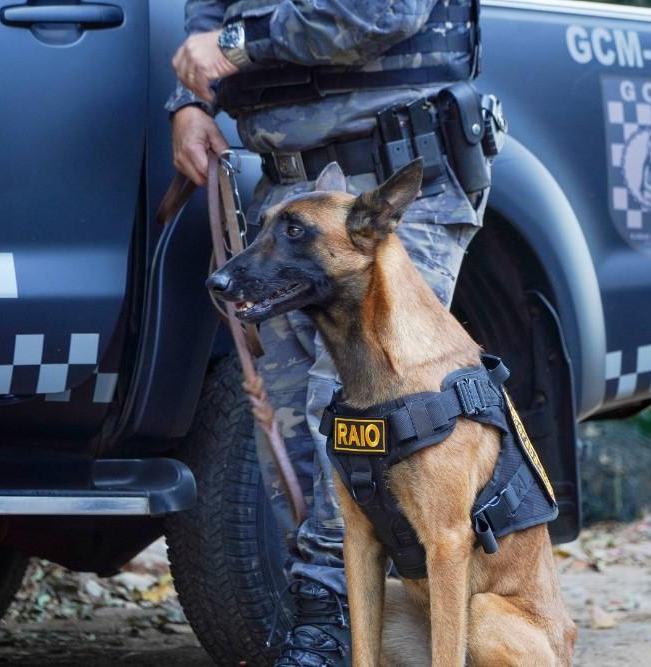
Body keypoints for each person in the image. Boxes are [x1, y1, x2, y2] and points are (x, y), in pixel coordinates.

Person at [167, 0, 493, 663]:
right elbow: (206, 14)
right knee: (288, 441)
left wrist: (235, 43)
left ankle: (327, 628)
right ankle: (333, 625)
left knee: (352, 419)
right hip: (287, 198)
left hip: (394, 196)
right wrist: (190, 101)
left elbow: (382, 11)